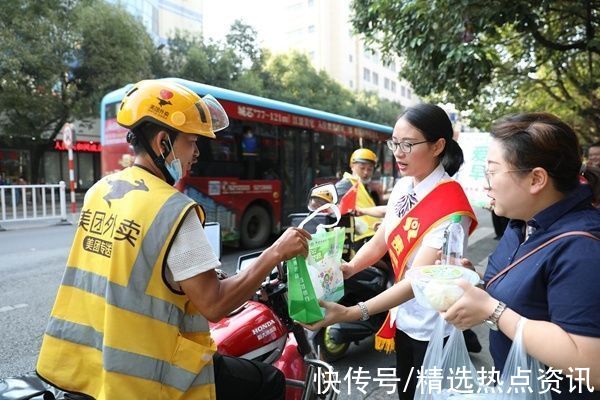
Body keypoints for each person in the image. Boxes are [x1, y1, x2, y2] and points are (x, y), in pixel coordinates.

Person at [36, 80, 311, 400]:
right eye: (192, 142)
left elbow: (128, 267)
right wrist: (276, 251)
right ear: (163, 141)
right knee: (269, 381)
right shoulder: (174, 210)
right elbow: (215, 304)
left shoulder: (100, 190)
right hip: (148, 376)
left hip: (84, 363)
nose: (196, 152)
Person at [307, 103, 478, 400]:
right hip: (404, 318)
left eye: (408, 144)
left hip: (432, 327)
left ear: (438, 146)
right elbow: (381, 239)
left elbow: (416, 281)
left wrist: (352, 312)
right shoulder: (403, 187)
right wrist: (350, 267)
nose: (397, 152)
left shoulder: (450, 206)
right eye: (394, 142)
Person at [443, 113, 600, 398]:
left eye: (491, 171)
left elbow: (591, 362)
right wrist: (478, 283)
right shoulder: (522, 222)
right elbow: (534, 293)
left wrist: (492, 310)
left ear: (536, 179)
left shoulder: (582, 248)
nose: (485, 182)